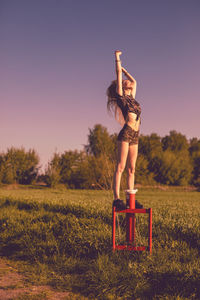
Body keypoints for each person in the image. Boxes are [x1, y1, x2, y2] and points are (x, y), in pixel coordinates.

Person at [107, 50, 143, 210]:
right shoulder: (121, 96)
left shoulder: (133, 97)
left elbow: (135, 81)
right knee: (121, 166)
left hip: (136, 134)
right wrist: (118, 60)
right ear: (122, 85)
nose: (128, 81)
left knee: (132, 169)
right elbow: (120, 76)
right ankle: (116, 199)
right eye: (124, 80)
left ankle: (131, 199)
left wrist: (126, 71)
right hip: (126, 132)